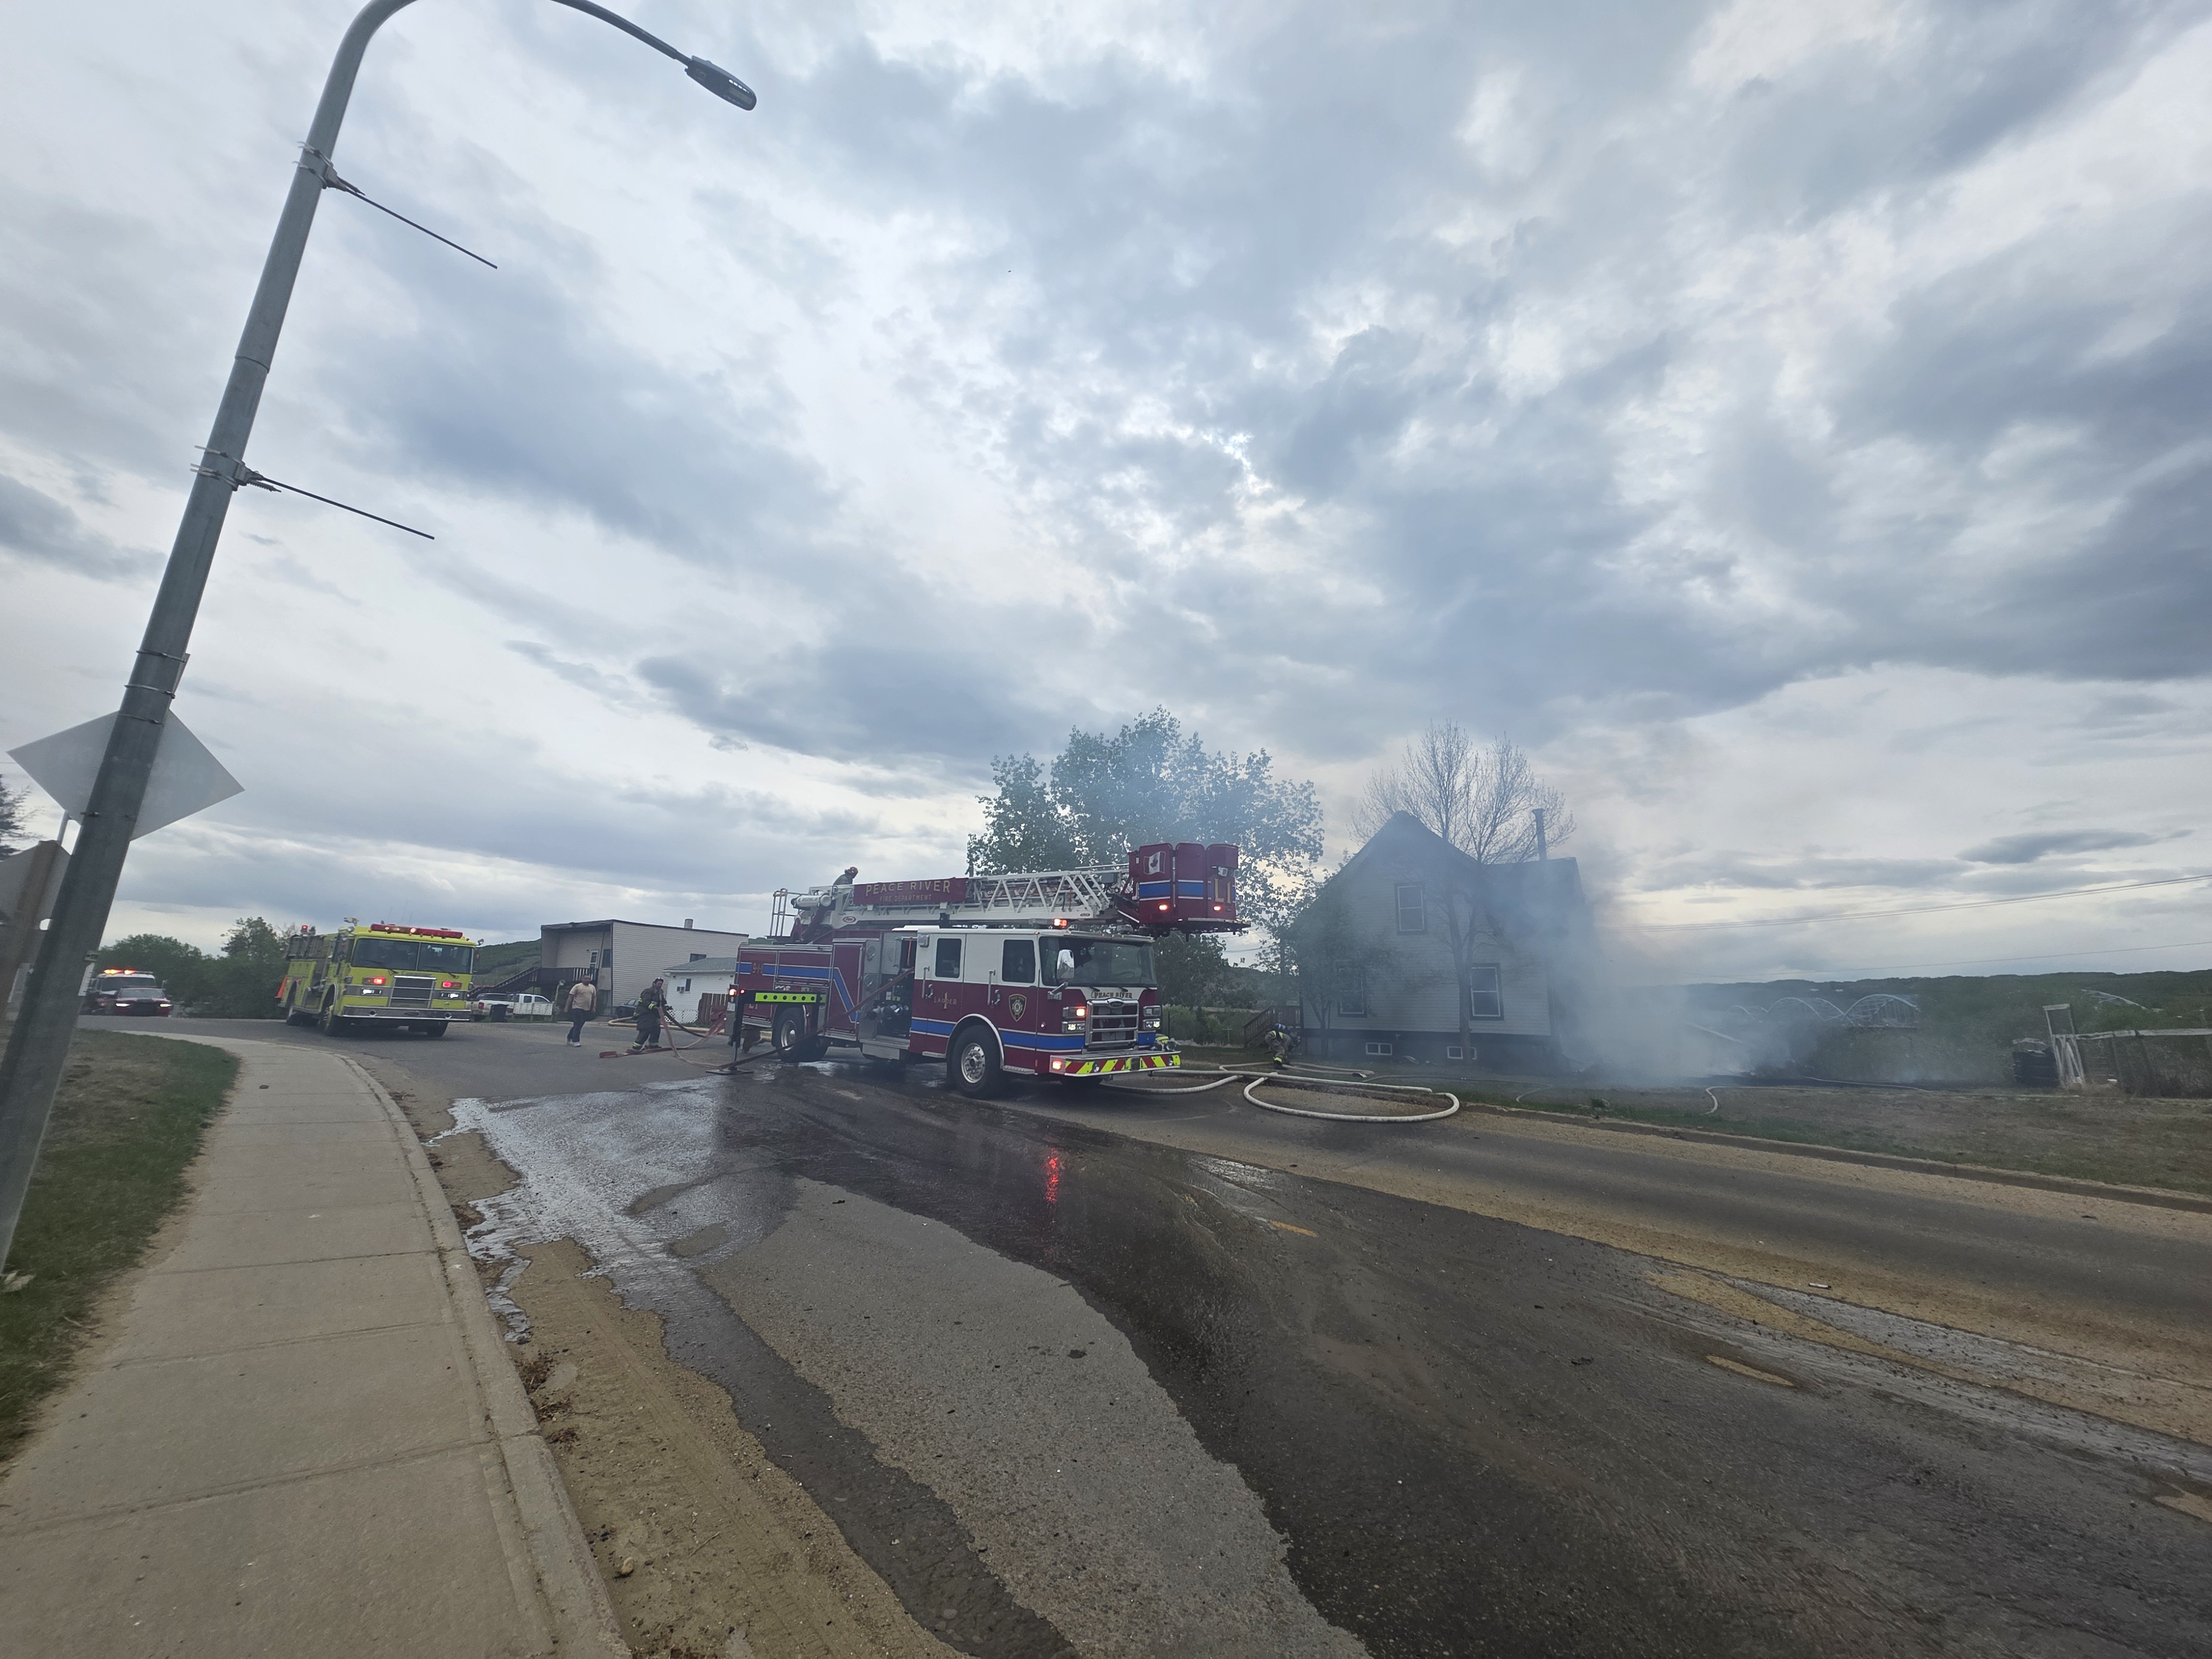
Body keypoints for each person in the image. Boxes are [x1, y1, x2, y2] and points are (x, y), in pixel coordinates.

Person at [630, 977, 669, 1054]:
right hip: (644, 1014)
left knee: (656, 1029)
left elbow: (662, 1002)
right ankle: (636, 1047)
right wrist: (654, 1007)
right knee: (646, 1029)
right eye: (659, 984)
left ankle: (653, 1045)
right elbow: (646, 1002)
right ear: (654, 984)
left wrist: (666, 1007)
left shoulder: (660, 993)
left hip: (653, 1015)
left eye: (661, 984)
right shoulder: (647, 992)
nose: (660, 985)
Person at [563, 977, 598, 1046]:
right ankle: (575, 1041)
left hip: (586, 1008)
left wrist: (594, 1006)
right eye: (586, 979)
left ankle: (570, 1036)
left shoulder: (592, 987)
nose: (588, 980)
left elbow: (594, 997)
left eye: (589, 979)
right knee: (578, 1023)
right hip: (577, 1007)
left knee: (580, 1024)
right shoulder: (577, 987)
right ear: (582, 979)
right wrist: (566, 1007)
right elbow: (570, 997)